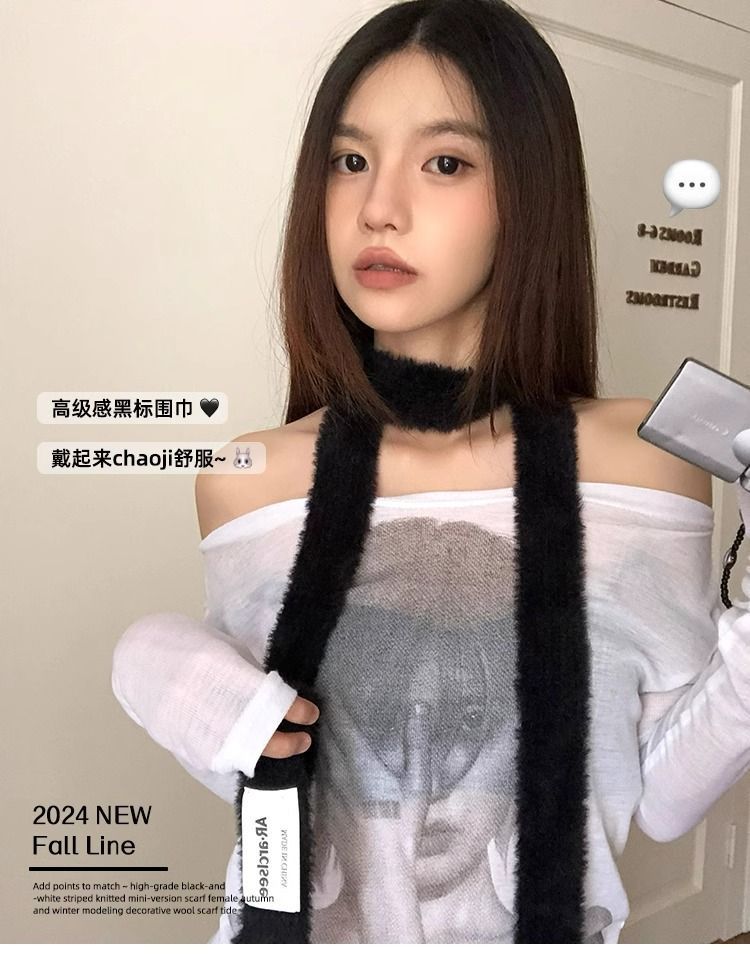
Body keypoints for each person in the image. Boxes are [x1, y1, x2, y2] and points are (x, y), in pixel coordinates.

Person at [111, 0, 750, 944]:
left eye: (445, 163)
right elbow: (263, 771)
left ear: (528, 194)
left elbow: (654, 795)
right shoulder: (248, 479)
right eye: (349, 160)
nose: (378, 207)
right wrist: (152, 666)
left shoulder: (640, 462)